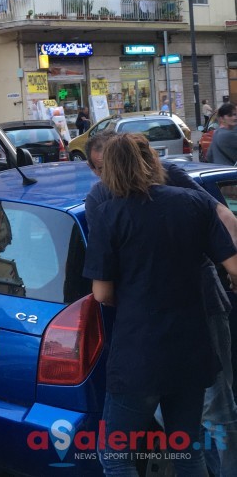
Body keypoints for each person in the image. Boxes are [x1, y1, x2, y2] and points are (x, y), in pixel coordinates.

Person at [85, 131, 237, 476]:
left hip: (140, 349)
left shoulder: (107, 212)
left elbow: (102, 294)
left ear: (110, 169)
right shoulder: (191, 201)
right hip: (192, 343)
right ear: (151, 160)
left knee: (115, 455)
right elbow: (231, 252)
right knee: (189, 448)